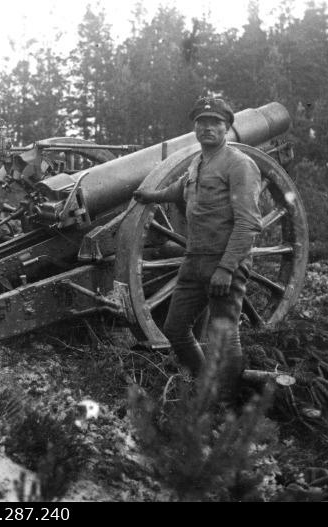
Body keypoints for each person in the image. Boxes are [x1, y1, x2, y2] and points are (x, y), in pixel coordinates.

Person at [133, 97, 262, 397]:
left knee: (225, 336)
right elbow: (180, 189)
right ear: (195, 128)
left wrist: (226, 268)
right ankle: (208, 388)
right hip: (194, 261)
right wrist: (150, 196)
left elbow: (248, 224)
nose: (207, 128)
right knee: (175, 329)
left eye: (214, 123)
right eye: (201, 123)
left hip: (224, 262)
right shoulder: (198, 162)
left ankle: (231, 403)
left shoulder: (240, 165)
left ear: (227, 127)